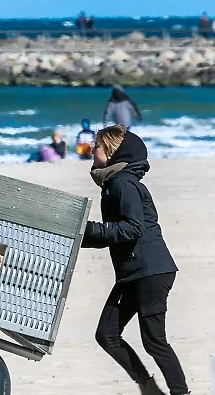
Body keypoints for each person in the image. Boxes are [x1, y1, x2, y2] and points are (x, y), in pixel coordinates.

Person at [83, 126, 189, 395]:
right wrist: (77, 238)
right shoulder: (114, 184)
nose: (92, 150)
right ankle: (149, 387)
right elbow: (114, 233)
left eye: (97, 145)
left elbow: (132, 228)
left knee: (155, 341)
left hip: (150, 271)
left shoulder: (122, 184)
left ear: (112, 151)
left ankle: (180, 392)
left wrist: (87, 228)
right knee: (106, 334)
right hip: (134, 271)